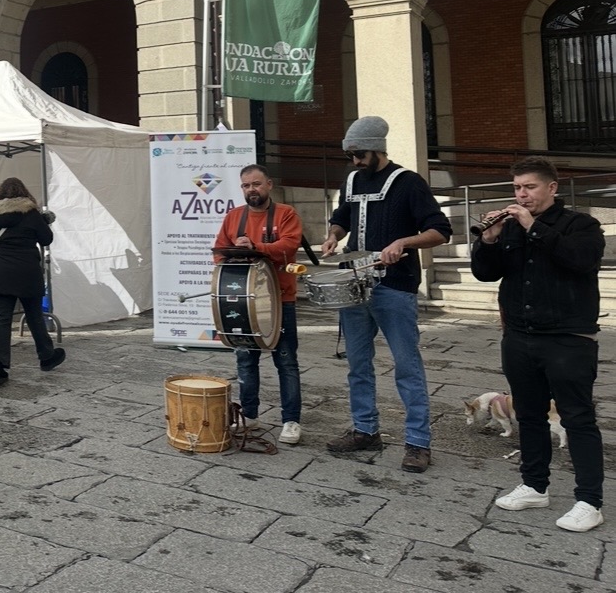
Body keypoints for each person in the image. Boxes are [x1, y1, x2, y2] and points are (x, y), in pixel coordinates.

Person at [472, 156, 606, 532]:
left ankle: (589, 501)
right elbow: (485, 274)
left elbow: (581, 260)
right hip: (519, 337)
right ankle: (534, 485)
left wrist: (534, 228)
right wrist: (488, 241)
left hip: (568, 339)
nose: (522, 195)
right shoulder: (510, 227)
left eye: (529, 187)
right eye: (517, 188)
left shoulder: (581, 225)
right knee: (529, 415)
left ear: (552, 187)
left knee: (577, 418)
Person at [321, 116, 452, 473]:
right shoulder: (352, 180)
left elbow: (440, 230)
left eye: (360, 154)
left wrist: (404, 242)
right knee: (357, 364)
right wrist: (333, 235)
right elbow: (342, 217)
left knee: (407, 366)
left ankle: (418, 442)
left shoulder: (408, 182)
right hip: (353, 283)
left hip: (394, 285)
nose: (355, 161)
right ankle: (365, 430)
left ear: (377, 149)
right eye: (350, 156)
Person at [212, 164, 303, 445]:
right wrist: (233, 253)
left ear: (269, 185)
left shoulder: (286, 214)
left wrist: (256, 247)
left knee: (286, 361)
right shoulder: (234, 216)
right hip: (243, 301)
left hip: (281, 300)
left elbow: (289, 246)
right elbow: (219, 253)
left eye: (256, 184)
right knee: (245, 360)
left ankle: (291, 421)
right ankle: (249, 415)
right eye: (246, 185)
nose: (251, 189)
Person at [0, 178, 64, 386]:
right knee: (34, 315)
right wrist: (43, 222)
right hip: (27, 270)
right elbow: (46, 239)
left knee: (2, 318)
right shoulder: (31, 213)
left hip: (1, 270)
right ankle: (47, 356)